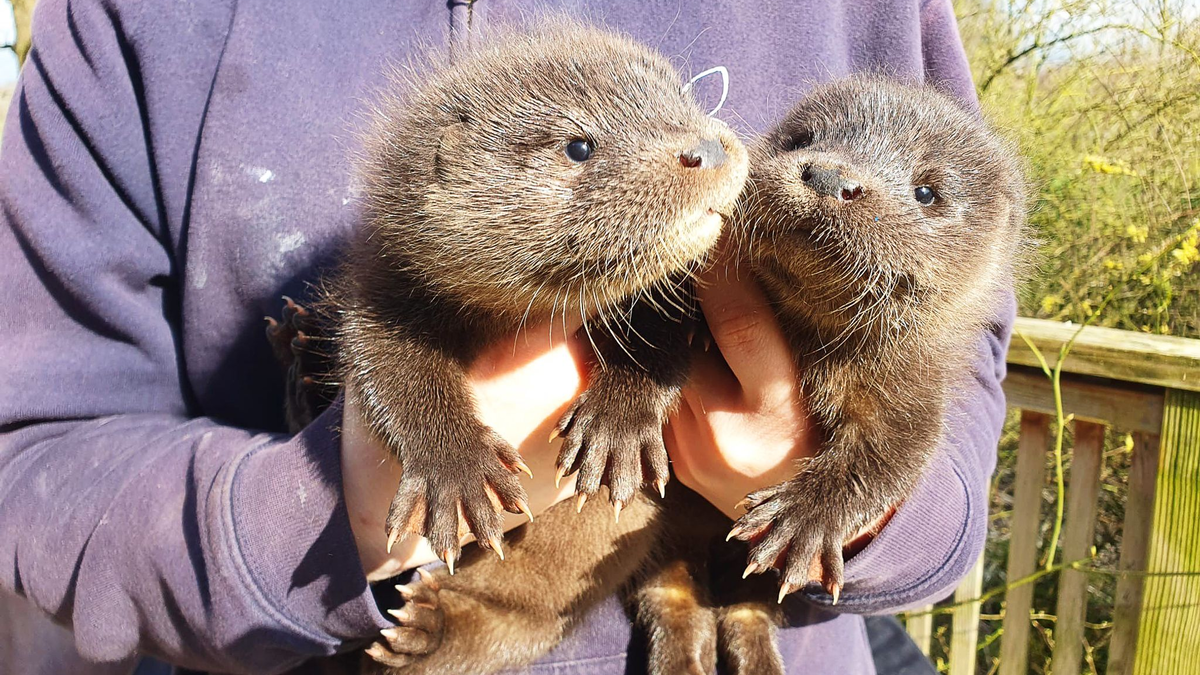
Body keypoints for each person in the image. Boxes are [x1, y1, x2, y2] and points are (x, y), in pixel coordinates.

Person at [0, 1, 1011, 673]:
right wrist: (334, 514)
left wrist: (863, 510)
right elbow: (35, 456)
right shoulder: (136, 25)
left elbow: (965, 322)